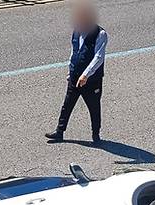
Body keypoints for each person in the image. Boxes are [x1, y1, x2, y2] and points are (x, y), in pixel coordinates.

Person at [46, 0, 107, 144]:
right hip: (75, 77)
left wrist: (86, 74)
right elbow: (74, 52)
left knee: (94, 108)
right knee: (67, 105)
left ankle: (96, 135)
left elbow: (99, 57)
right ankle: (59, 132)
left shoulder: (100, 34)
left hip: (91, 81)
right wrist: (70, 71)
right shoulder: (77, 31)